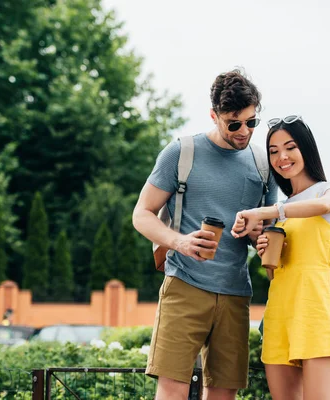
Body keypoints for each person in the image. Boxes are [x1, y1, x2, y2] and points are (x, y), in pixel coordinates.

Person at [132, 69, 277, 400]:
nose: (244, 132)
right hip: (184, 286)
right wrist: (180, 242)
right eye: (234, 123)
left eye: (251, 122)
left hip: (236, 293)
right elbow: (141, 213)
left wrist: (256, 234)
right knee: (172, 390)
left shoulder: (262, 164)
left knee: (224, 393)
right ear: (214, 115)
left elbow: (266, 231)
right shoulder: (182, 154)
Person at [231, 115, 330, 400]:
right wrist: (261, 245)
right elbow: (275, 272)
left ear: (305, 148)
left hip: (315, 309)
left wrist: (268, 211)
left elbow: (324, 205)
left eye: (290, 147)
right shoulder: (281, 210)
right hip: (280, 310)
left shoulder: (329, 190)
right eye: (273, 151)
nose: (282, 156)